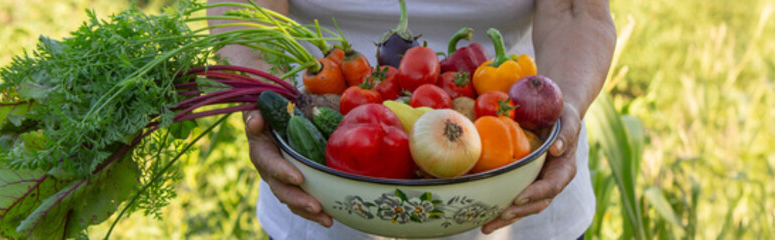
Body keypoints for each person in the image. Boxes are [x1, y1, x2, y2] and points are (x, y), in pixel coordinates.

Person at [211, 0, 615, 239]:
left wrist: (566, 111)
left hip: (517, 180)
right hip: (321, 191)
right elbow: (243, 8)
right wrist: (260, 108)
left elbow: (577, 9)